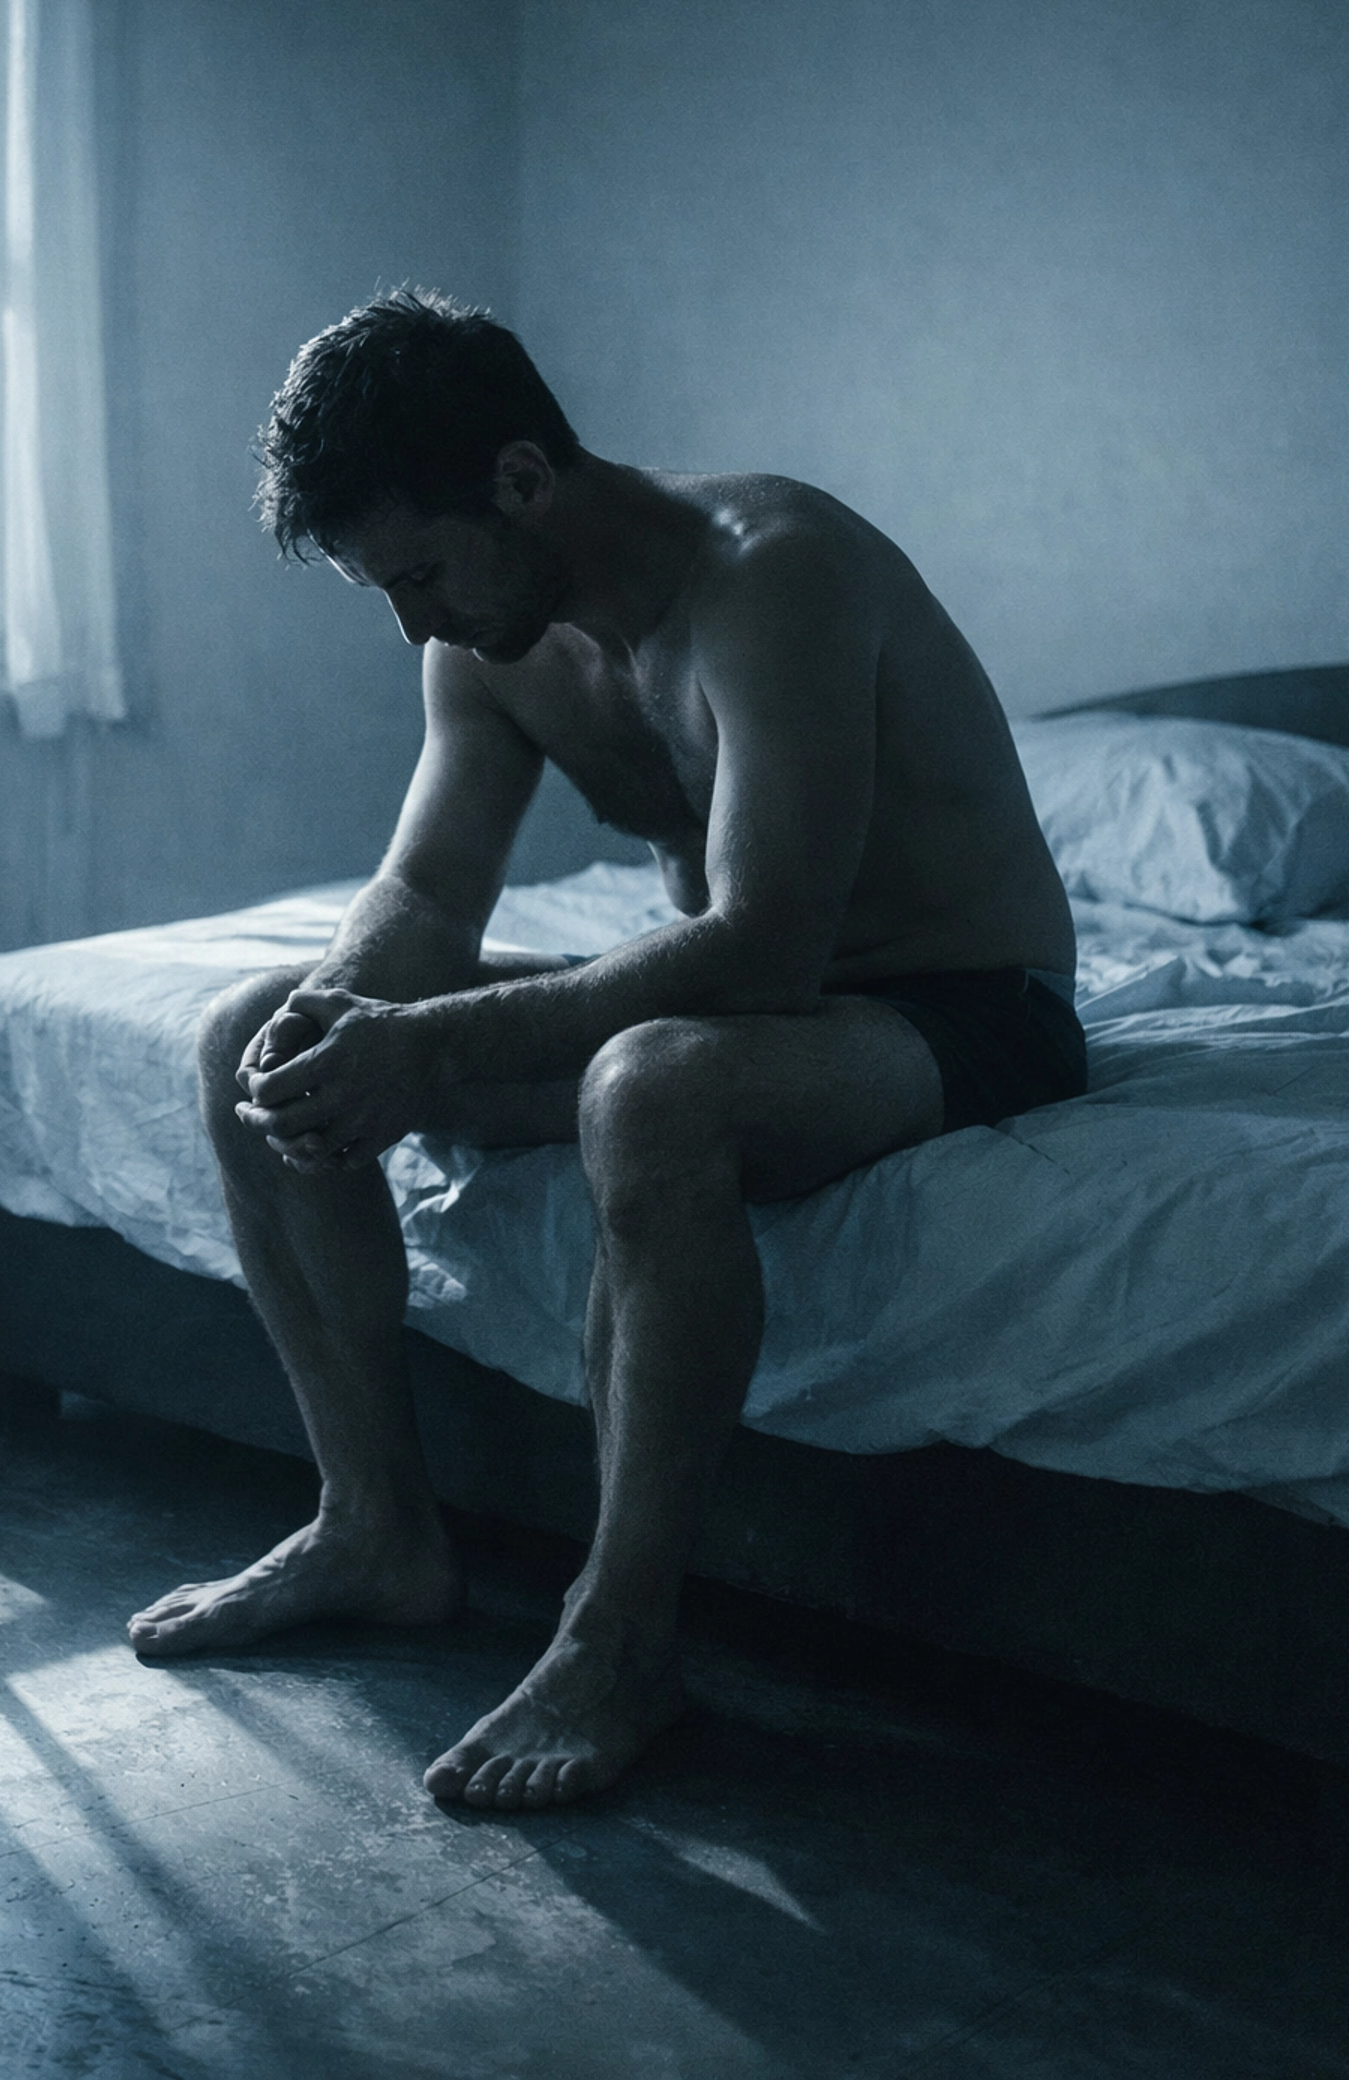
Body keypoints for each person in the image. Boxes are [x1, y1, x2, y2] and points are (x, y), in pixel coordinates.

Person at [126, 287, 1084, 1810]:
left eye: (421, 574)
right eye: (387, 591)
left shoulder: (777, 572)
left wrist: (431, 1044)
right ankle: (374, 1526)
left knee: (650, 1090)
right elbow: (429, 895)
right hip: (735, 1001)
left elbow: (765, 944)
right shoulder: (486, 641)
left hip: (957, 1003)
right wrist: (351, 1016)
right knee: (251, 1033)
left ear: (521, 478)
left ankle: (620, 1638)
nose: (415, 622)